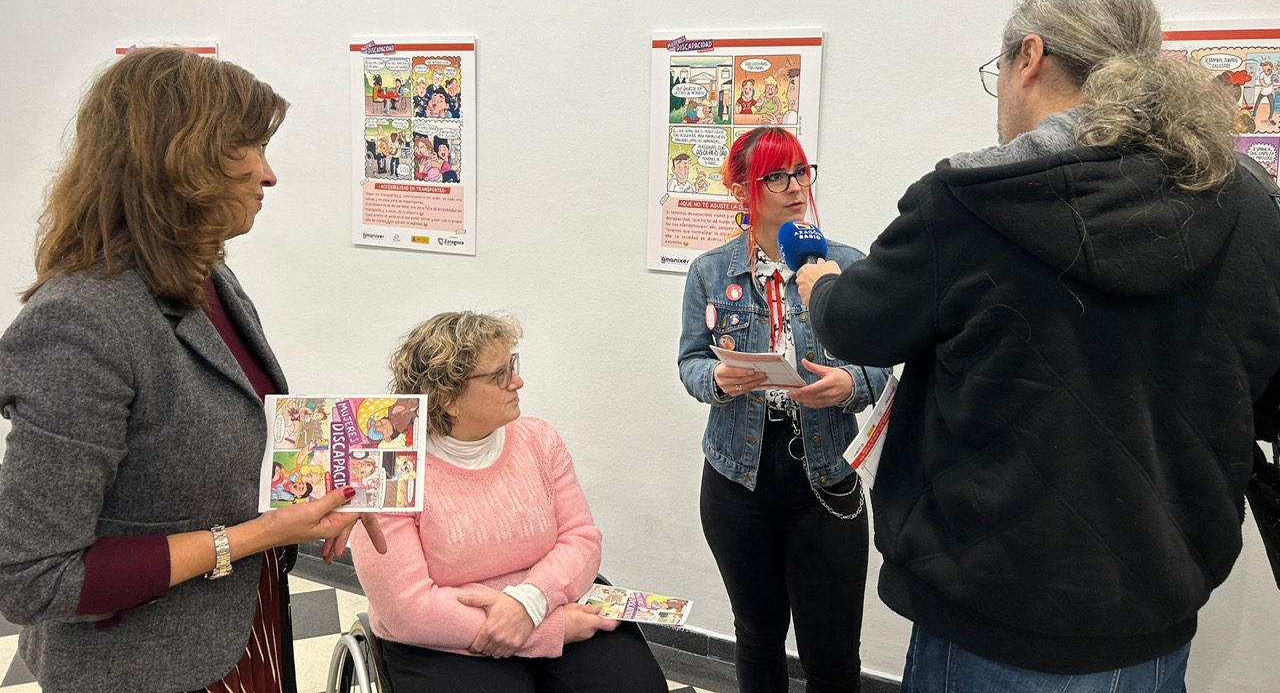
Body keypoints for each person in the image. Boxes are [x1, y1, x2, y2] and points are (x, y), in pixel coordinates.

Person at [796, 0, 1280, 692]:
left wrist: (821, 285)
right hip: (1157, 618)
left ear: (1030, 56)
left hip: (989, 613)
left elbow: (856, 326)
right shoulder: (1247, 203)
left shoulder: (972, 201)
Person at [0, 47, 386, 693]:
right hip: (144, 666)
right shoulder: (80, 323)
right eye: (249, 147)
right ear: (180, 159)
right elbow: (32, 578)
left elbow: (214, 432)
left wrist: (326, 487)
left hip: (239, 627)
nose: (268, 175)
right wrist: (259, 534)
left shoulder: (208, 278)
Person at [678, 127, 891, 693]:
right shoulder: (710, 272)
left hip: (825, 473)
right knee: (756, 636)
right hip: (737, 475)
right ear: (741, 190)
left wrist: (849, 384)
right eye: (776, 176)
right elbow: (690, 362)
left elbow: (881, 367)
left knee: (832, 651)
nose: (796, 187)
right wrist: (717, 379)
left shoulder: (845, 265)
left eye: (800, 172)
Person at [350, 311, 666, 693]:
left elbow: (581, 539)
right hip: (442, 635)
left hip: (551, 598)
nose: (517, 381)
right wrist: (548, 631)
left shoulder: (539, 439)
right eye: (499, 374)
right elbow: (408, 608)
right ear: (448, 399)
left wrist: (530, 604)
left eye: (512, 366)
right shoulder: (386, 468)